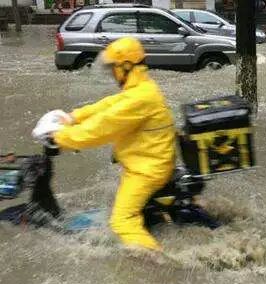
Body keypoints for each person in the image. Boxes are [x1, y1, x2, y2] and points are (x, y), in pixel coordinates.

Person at [32, 37, 176, 251]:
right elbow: (108, 106)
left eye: (113, 68)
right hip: (145, 161)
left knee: (121, 221)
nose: (111, 73)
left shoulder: (139, 98)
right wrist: (72, 117)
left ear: (126, 66)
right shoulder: (141, 89)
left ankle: (159, 264)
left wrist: (59, 138)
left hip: (147, 171)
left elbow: (101, 128)